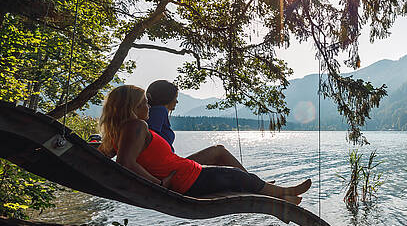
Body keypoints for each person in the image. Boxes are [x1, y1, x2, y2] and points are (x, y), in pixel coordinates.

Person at [98, 85, 310, 203]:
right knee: (235, 176)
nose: (148, 107)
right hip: (185, 179)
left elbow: (105, 157)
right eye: (144, 103)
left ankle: (277, 195)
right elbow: (126, 163)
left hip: (185, 174)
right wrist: (158, 183)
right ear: (133, 106)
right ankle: (283, 191)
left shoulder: (118, 132)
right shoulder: (136, 126)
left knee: (233, 173)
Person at [146, 79, 246, 170]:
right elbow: (151, 140)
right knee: (219, 151)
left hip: (169, 164)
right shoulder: (159, 111)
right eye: (175, 97)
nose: (177, 101)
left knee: (216, 159)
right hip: (169, 167)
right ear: (167, 97)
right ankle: (252, 182)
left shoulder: (153, 112)